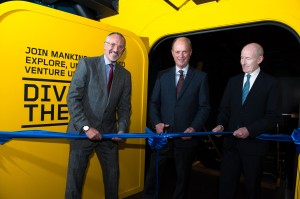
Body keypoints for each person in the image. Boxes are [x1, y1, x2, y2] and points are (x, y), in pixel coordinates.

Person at [65, 32, 131, 199]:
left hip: (109, 135)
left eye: (120, 47)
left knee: (112, 179)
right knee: (75, 182)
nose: (115, 49)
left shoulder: (125, 75)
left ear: (123, 50)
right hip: (82, 133)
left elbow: (124, 107)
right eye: (112, 44)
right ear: (104, 44)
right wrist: (86, 127)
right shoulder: (87, 64)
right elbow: (72, 97)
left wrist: (122, 129)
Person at [212, 42, 282, 199]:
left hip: (254, 147)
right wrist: (220, 124)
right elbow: (224, 109)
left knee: (251, 189)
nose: (243, 62)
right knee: (225, 187)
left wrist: (249, 130)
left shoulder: (271, 83)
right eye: (241, 58)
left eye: (248, 58)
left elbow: (273, 116)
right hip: (230, 146)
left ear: (260, 59)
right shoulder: (233, 81)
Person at [144, 37, 210, 199]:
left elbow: (204, 107)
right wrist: (157, 123)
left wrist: (194, 128)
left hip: (186, 136)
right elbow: (153, 103)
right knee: (154, 172)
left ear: (190, 53)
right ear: (172, 54)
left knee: (183, 176)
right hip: (163, 134)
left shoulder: (201, 77)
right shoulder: (162, 75)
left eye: (185, 52)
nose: (181, 55)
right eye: (177, 52)